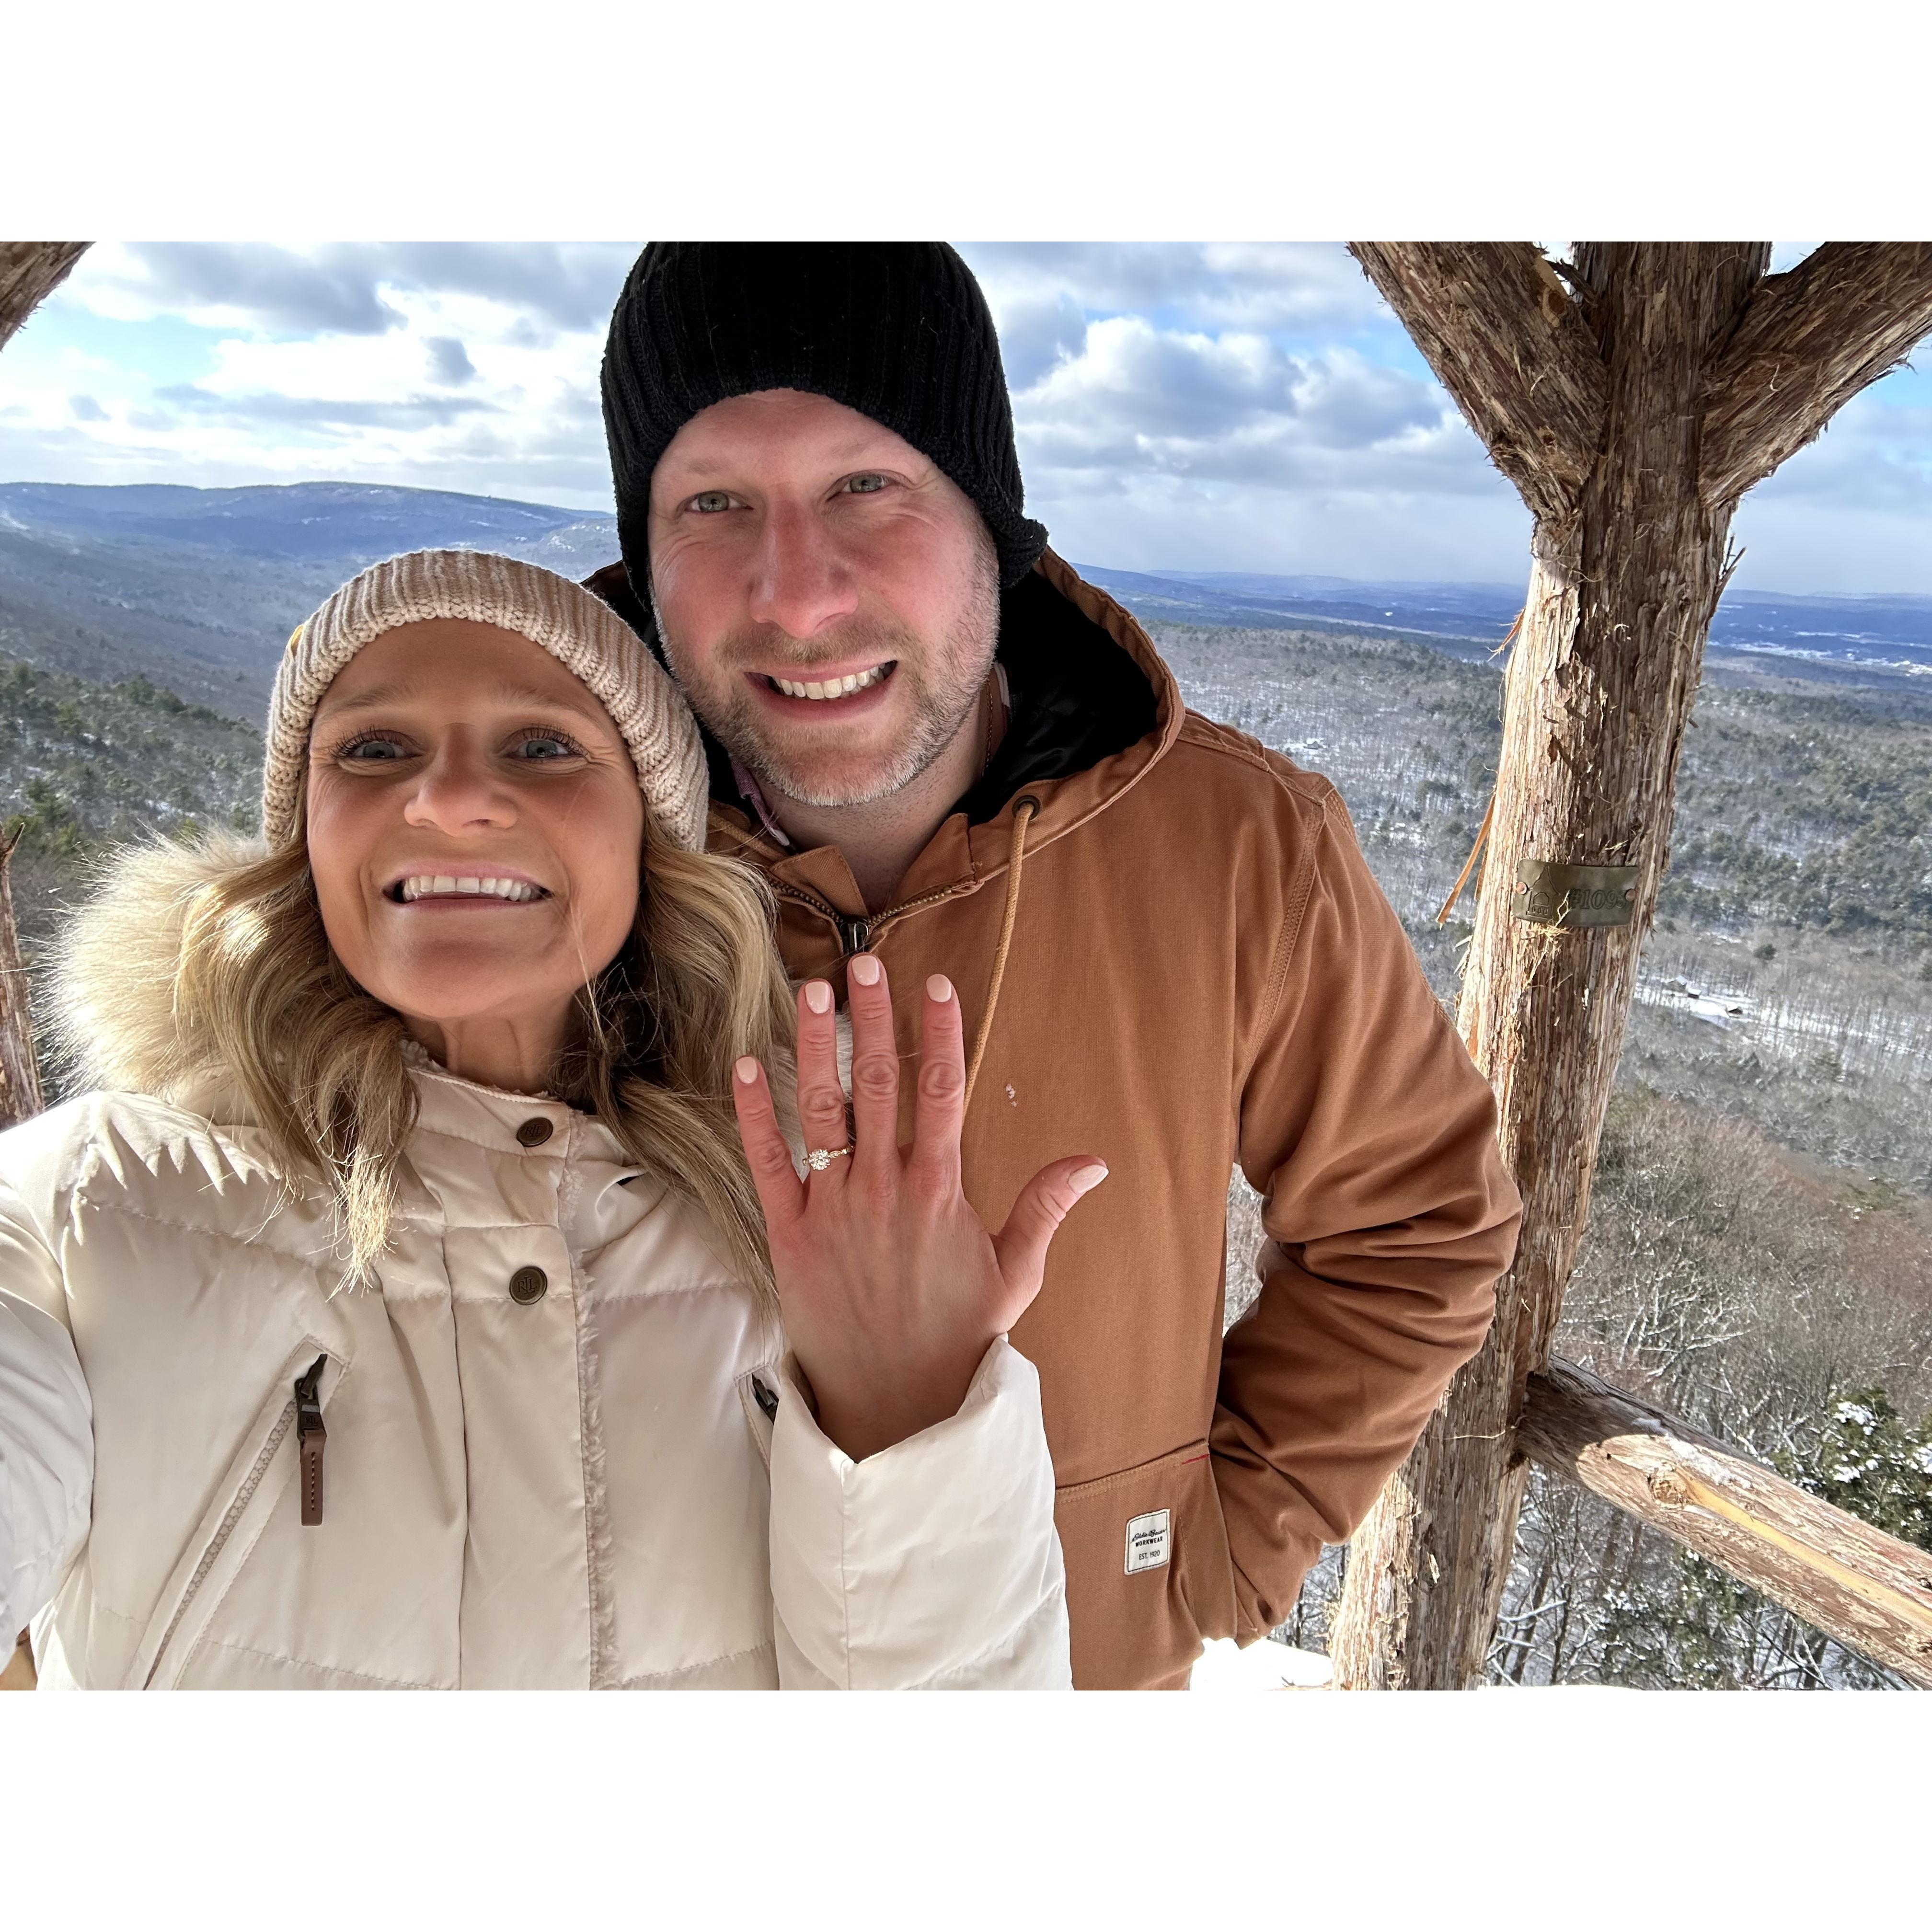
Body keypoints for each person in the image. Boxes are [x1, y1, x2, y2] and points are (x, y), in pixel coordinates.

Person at [590, 242, 1525, 1689]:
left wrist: (1220, 1541)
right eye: (713, 503)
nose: (797, 592)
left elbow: (1419, 1220)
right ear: (644, 558)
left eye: (866, 487)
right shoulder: (568, 850)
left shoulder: (1234, 844)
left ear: (992, 520)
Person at [0, 548, 1094, 1689]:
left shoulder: (821, 1245)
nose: (451, 798)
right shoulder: (84, 1211)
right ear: (306, 835)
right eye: (374, 750)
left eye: (543, 747)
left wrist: (911, 1425)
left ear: (647, 835)